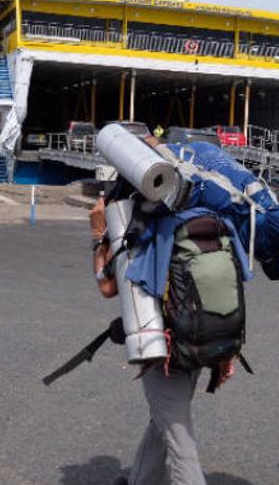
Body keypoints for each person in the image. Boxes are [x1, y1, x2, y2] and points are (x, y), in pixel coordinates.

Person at [88, 138, 236, 485]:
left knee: (179, 440)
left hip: (162, 347)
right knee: (164, 422)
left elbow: (107, 286)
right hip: (202, 340)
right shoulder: (201, 213)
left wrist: (98, 235)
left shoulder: (135, 219)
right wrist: (227, 349)